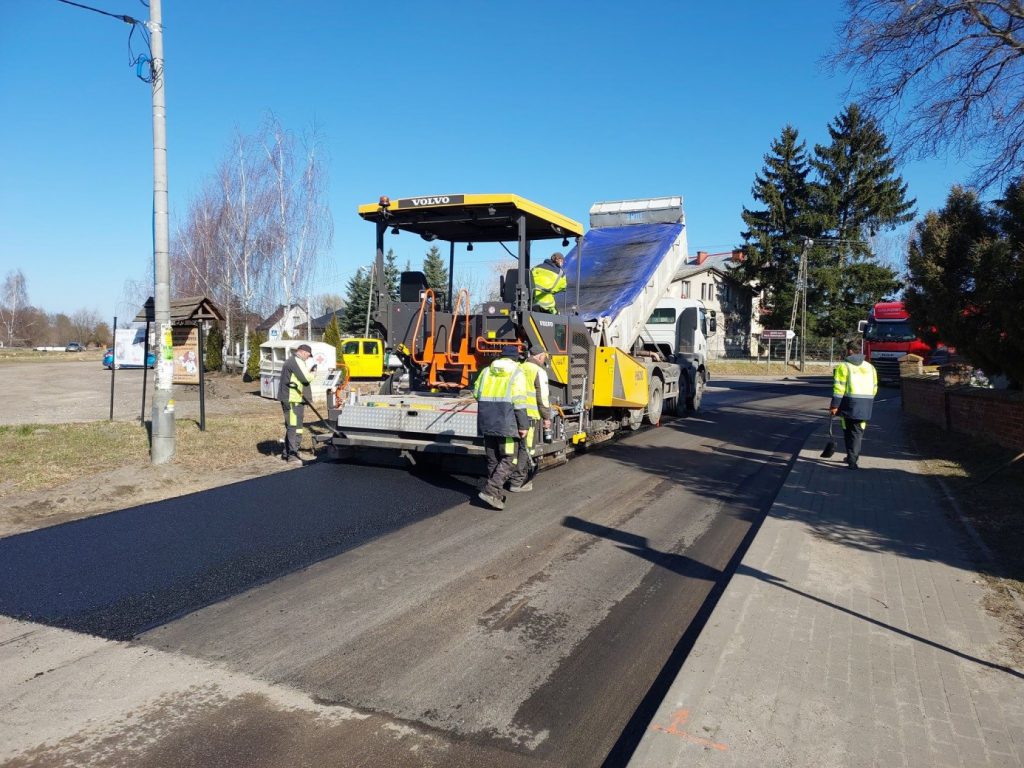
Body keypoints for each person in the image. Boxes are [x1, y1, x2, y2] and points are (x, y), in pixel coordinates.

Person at [473, 345, 531, 510]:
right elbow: (519, 402)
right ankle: (491, 491)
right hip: (506, 423)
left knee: (493, 459)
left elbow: (476, 393)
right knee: (509, 459)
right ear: (515, 358)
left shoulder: (486, 371)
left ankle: (495, 495)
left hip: (486, 421)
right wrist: (523, 425)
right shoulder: (517, 372)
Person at [508, 348, 553, 493]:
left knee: (514, 448)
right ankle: (518, 482)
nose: (544, 360)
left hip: (513, 413)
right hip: (530, 416)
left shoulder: (519, 367)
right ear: (540, 356)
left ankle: (508, 476)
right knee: (526, 449)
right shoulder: (539, 372)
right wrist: (547, 417)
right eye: (544, 357)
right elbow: (543, 397)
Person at [830, 341, 878, 470]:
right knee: (858, 432)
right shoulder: (870, 367)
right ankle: (852, 457)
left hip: (848, 404)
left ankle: (852, 461)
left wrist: (834, 406)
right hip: (865, 405)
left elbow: (839, 388)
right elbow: (874, 388)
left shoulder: (844, 366)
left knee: (847, 431)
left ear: (850, 351)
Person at [278, 343, 317, 463]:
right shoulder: (296, 361)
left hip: (296, 399)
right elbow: (305, 378)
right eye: (308, 355)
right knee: (293, 427)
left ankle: (288, 452)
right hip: (292, 399)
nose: (308, 358)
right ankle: (292, 455)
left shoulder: (294, 361)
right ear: (304, 352)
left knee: (296, 427)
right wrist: (313, 373)